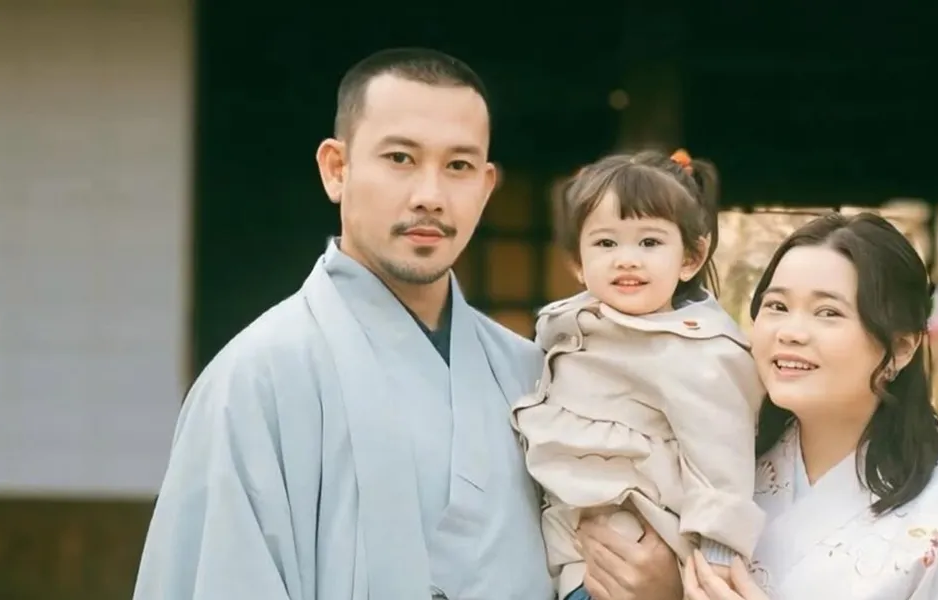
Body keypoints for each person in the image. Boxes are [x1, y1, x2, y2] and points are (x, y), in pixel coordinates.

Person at [131, 48, 683, 600]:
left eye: (459, 166)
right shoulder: (258, 378)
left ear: (487, 185)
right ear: (336, 169)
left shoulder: (533, 373)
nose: (430, 196)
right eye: (399, 158)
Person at [682, 212, 938, 599]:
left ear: (901, 348)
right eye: (777, 306)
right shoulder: (718, 470)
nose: (790, 332)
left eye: (828, 313)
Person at [511, 150, 766, 600]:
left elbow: (722, 466)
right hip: (565, 562)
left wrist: (716, 567)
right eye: (606, 244)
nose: (626, 259)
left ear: (690, 257)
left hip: (641, 558)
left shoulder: (698, 350)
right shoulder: (565, 328)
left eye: (649, 243)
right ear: (577, 261)